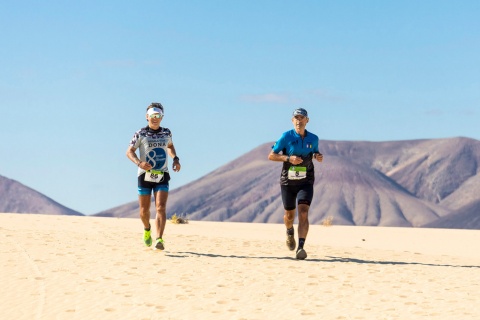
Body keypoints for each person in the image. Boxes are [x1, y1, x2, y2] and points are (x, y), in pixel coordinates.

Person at [268, 108, 323, 260]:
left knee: (304, 212)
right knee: (289, 215)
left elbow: (315, 152)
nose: (299, 121)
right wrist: (288, 159)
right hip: (288, 181)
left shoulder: (314, 138)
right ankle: (289, 231)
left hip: (306, 181)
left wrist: (318, 156)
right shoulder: (286, 137)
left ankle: (301, 247)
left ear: (307, 120)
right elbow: (271, 156)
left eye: (302, 118)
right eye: (296, 118)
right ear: (292, 121)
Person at [126, 102, 181, 250]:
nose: (155, 118)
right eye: (152, 116)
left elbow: (169, 146)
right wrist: (139, 163)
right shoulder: (140, 134)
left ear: (162, 117)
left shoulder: (167, 133)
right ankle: (147, 230)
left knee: (160, 207)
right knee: (144, 211)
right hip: (145, 175)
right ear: (147, 117)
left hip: (162, 174)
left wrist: (175, 159)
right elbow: (129, 151)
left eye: (158, 116)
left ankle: (159, 239)